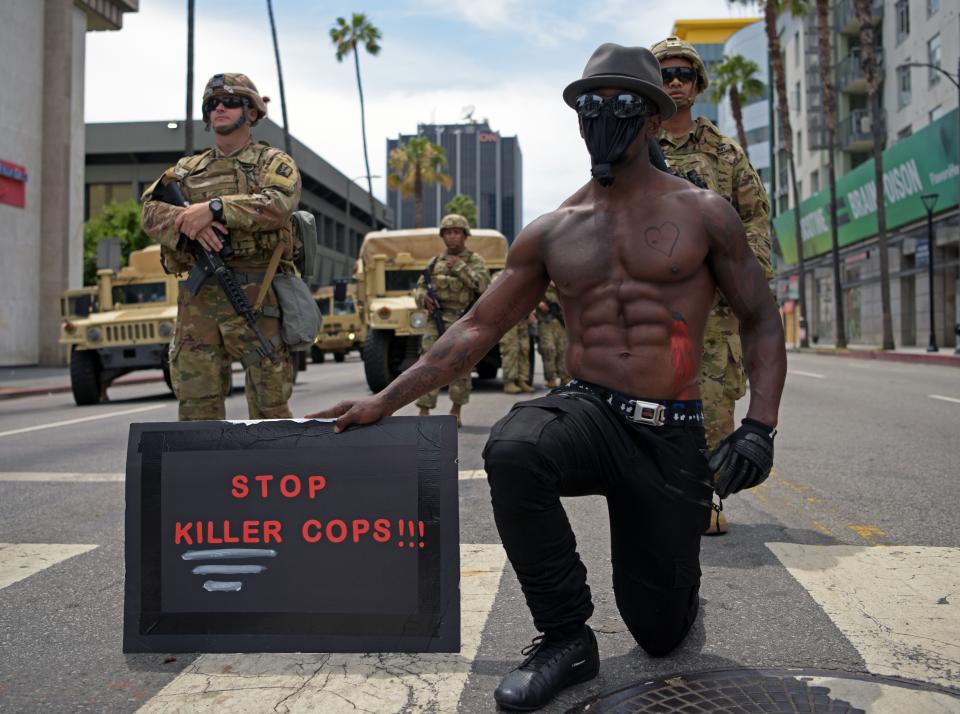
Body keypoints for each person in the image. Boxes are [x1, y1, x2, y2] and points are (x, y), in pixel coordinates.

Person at [307, 44, 786, 711]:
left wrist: (759, 427)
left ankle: (673, 581)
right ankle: (565, 635)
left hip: (671, 431)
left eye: (621, 105)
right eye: (590, 106)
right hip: (591, 410)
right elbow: (475, 329)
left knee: (660, 632)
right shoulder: (555, 230)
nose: (603, 118)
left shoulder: (704, 213)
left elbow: (762, 318)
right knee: (515, 447)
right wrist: (384, 400)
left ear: (652, 118)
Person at [652, 36, 774, 536]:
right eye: (666, 74)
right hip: (651, 303)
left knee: (712, 404)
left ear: (698, 85)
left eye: (684, 73)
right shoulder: (633, 146)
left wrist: (745, 283)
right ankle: (654, 493)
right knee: (648, 402)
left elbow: (756, 221)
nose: (676, 81)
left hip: (715, 307)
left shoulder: (725, 153)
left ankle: (707, 496)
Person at [141, 73, 301, 421]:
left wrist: (213, 209)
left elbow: (278, 205)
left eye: (231, 102)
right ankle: (203, 474)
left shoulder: (273, 163)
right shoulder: (187, 170)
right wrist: (189, 223)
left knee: (270, 402)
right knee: (197, 403)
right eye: (213, 104)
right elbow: (149, 211)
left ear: (252, 113)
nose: (220, 108)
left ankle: (270, 473)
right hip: (199, 299)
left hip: (257, 295)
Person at [414, 214, 491, 427]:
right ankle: (424, 410)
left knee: (461, 366)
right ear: (443, 236)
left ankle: (456, 410)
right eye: (448, 233)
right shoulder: (434, 262)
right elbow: (420, 287)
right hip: (436, 319)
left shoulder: (475, 260)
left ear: (465, 236)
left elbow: (483, 286)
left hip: (463, 320)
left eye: (457, 232)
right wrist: (422, 297)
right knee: (427, 363)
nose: (452, 237)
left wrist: (460, 267)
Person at [536, 281, 569, 388]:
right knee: (549, 349)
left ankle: (565, 377)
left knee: (562, 349)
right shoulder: (540, 282)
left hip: (560, 322)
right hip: (545, 322)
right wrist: (538, 303)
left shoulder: (560, 283)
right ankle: (551, 378)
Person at [500, 312, 536, 394]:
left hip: (522, 317)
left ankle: (521, 380)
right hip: (508, 317)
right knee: (511, 350)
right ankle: (509, 382)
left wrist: (530, 313)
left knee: (524, 350)